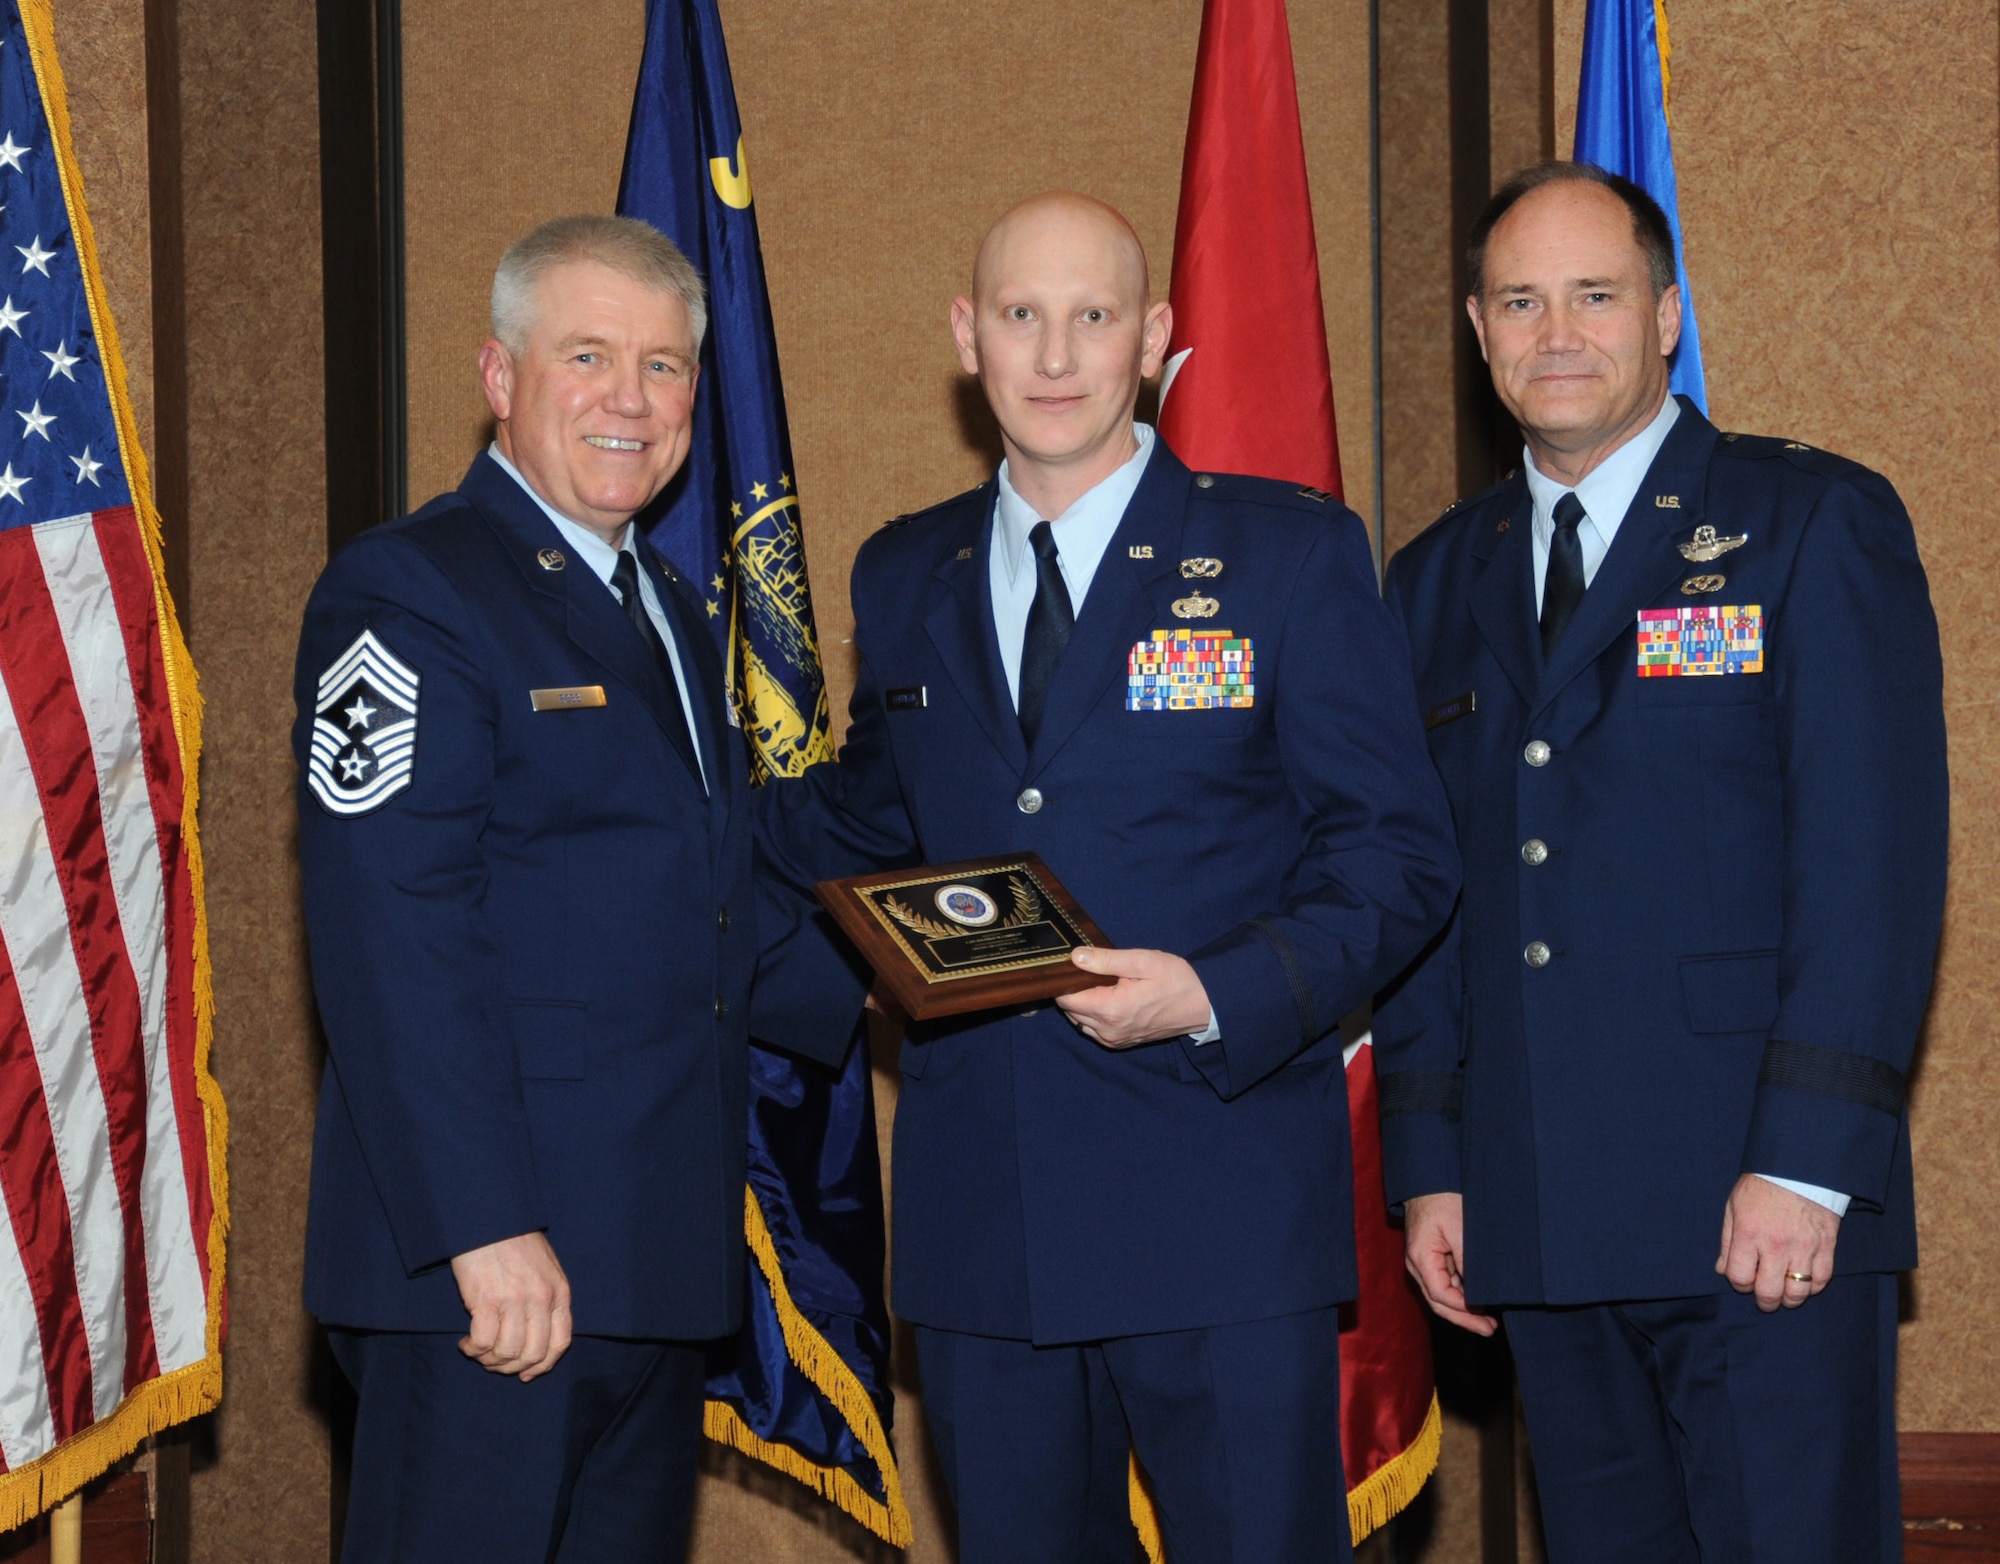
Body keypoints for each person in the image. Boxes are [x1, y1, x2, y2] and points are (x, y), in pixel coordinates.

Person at [762, 192, 1460, 1563]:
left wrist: (1216, 991)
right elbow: (862, 828)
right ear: (968, 336)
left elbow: (1397, 851)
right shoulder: (903, 570)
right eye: (1022, 315)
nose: (1057, 354)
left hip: (1221, 1202)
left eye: (1094, 317)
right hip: (987, 1225)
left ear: (1156, 337)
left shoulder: (1290, 554)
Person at [1376, 162, 1947, 1563]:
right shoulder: (1435, 579)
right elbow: (1431, 899)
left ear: (1668, 314)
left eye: (1595, 294)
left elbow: (1873, 863)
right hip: (1543, 1216)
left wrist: (1810, 1169)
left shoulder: (1809, 523)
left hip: (1754, 1216)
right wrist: (1434, 1164)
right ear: (1477, 326)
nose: (1556, 332)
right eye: (1520, 300)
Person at [292, 215, 860, 1564]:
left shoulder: (668, 603)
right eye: (589, 356)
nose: (631, 399)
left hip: (645, 1260)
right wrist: (484, 1227)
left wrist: (966, 973)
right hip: (490, 1273)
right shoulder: (413, 592)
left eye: (665, 368)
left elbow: (708, 899)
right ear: (501, 376)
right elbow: (393, 934)